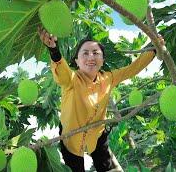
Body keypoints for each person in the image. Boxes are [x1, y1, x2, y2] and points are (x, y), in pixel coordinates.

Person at [38, 27, 164, 172]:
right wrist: (54, 51)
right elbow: (62, 73)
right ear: (77, 61)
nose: (91, 57)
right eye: (85, 53)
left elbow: (131, 69)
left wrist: (152, 49)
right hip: (70, 136)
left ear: (102, 61)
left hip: (97, 133)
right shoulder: (72, 80)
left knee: (107, 167)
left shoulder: (108, 78)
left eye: (96, 53)